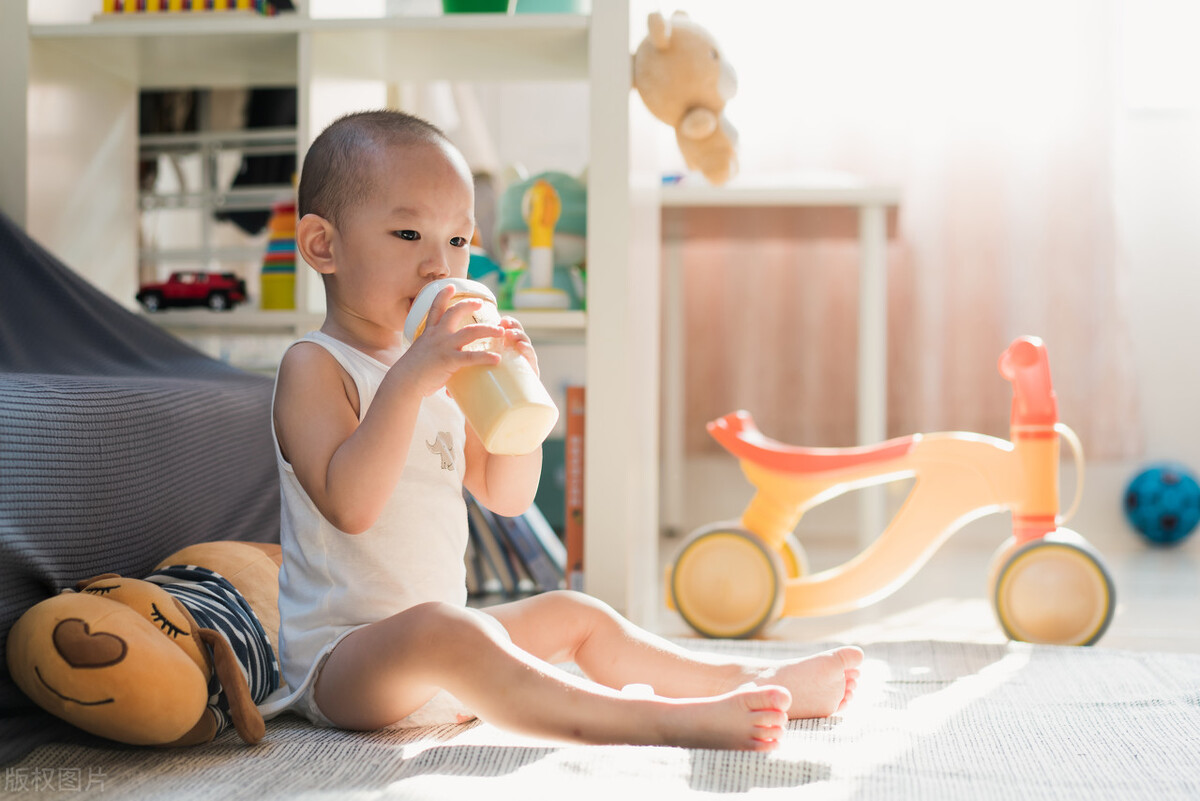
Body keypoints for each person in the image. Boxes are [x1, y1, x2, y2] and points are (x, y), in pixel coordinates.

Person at [268, 109, 863, 752]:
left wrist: (519, 400)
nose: (440, 267)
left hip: (446, 655)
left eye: (460, 242)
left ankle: (750, 677)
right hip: (345, 666)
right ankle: (660, 723)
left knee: (573, 612)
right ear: (323, 245)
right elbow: (351, 507)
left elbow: (507, 495)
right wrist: (410, 380)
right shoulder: (315, 366)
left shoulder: (438, 373)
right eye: (409, 233)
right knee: (450, 630)